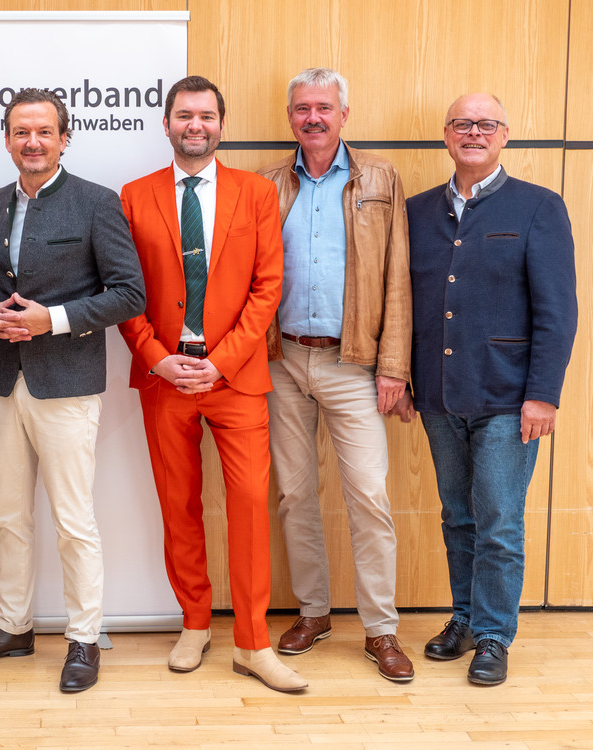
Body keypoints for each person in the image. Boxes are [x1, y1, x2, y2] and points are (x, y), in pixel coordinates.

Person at [0, 88, 145, 693]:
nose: (32, 142)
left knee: (73, 519)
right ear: (7, 140)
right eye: (21, 132)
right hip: (2, 382)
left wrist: (49, 320)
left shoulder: (96, 202)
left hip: (67, 384)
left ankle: (84, 638)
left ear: (63, 138)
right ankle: (14, 627)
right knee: (7, 514)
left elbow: (129, 293)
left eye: (43, 132)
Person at [117, 76, 305, 692]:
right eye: (184, 115)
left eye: (205, 116)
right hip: (165, 378)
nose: (194, 125)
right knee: (179, 506)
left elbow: (267, 288)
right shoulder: (134, 196)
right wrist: (156, 357)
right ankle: (194, 623)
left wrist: (221, 362)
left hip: (236, 377)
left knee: (249, 506)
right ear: (167, 124)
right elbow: (123, 290)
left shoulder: (256, 193)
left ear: (221, 124)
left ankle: (253, 642)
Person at [398, 93, 577, 685]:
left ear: (504, 135)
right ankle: (465, 619)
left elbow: (558, 311)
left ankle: (495, 635)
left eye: (485, 124)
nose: (473, 132)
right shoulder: (417, 211)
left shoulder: (538, 207)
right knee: (457, 516)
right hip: (439, 393)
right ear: (447, 134)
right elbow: (400, 304)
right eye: (462, 124)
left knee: (498, 520)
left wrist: (544, 393)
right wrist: (400, 375)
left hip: (508, 396)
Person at [257, 68, 415, 682]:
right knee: (295, 494)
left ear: (344, 114)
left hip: (355, 364)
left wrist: (393, 367)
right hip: (283, 360)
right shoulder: (270, 183)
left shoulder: (379, 178)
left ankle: (381, 629)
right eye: (302, 108)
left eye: (324, 107)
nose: (313, 118)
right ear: (290, 117)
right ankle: (314, 612)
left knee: (369, 496)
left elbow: (398, 276)